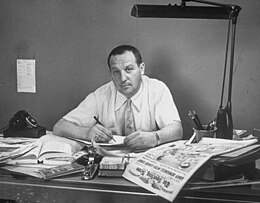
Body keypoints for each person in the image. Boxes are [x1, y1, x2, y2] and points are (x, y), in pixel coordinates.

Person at [53, 45, 183, 151]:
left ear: (141, 69)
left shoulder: (157, 89)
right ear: (110, 74)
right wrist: (87, 133)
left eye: (129, 69)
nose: (123, 78)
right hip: (110, 161)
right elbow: (60, 126)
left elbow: (176, 129)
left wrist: (155, 137)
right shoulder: (102, 94)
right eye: (116, 72)